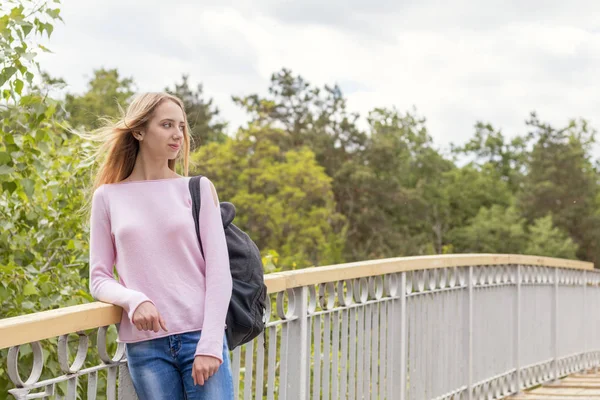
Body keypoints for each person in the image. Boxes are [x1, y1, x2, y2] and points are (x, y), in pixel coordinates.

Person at [86, 92, 234, 399]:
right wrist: (134, 300)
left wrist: (209, 345)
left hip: (200, 338)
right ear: (139, 131)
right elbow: (99, 278)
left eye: (180, 126)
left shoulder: (197, 189)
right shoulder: (107, 197)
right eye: (167, 125)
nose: (177, 134)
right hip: (146, 346)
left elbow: (219, 274)